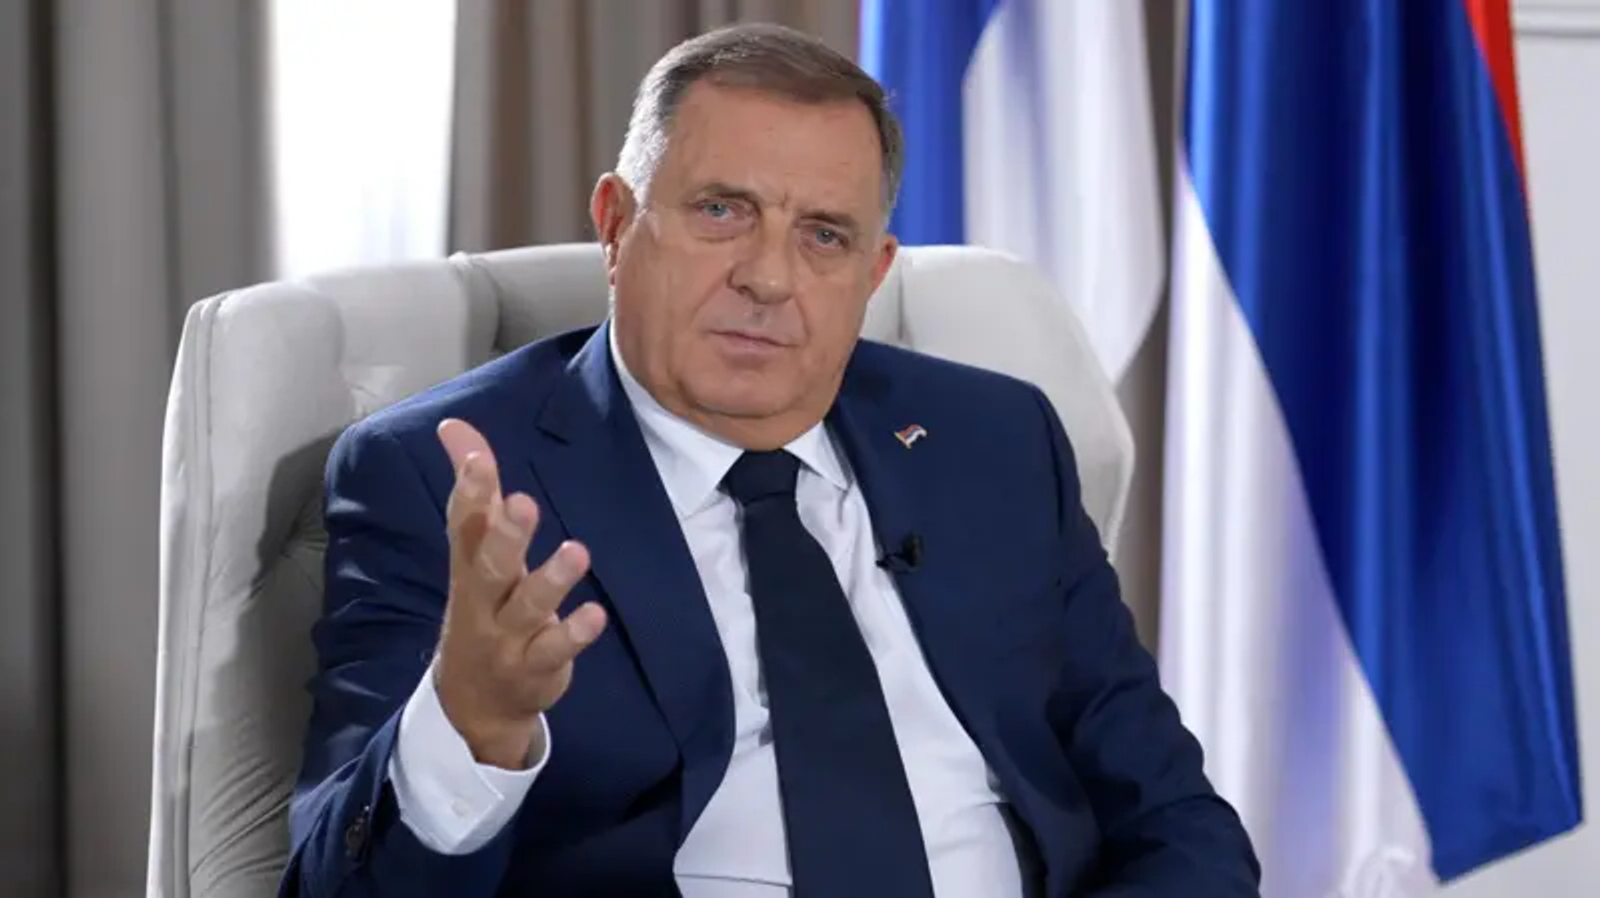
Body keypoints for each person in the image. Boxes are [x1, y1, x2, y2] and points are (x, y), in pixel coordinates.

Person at [281, 22, 1259, 898]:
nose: (768, 277)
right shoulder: (444, 479)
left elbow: (1176, 820)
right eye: (722, 211)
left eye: (824, 235)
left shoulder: (994, 443)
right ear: (616, 225)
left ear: (873, 273)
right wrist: (468, 728)